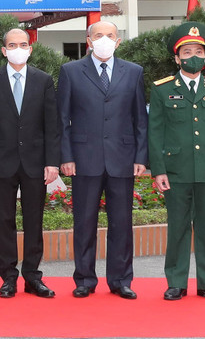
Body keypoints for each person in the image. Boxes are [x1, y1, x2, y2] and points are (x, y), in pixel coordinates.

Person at [57, 20, 147, 299]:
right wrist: (66, 156)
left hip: (123, 157)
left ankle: (121, 280)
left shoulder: (133, 72)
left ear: (118, 41)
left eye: (110, 35)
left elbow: (140, 120)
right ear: (89, 40)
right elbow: (62, 120)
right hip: (84, 159)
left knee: (122, 223)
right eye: (99, 35)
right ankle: (84, 279)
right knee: (84, 223)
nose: (104, 39)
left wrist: (141, 156)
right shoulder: (71, 71)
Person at [149, 21, 205, 302]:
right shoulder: (162, 89)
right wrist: (158, 170)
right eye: (186, 52)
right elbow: (155, 132)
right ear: (176, 57)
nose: (193, 57)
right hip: (176, 170)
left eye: (198, 51)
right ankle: (176, 281)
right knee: (177, 227)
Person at [0, 28, 60, 299]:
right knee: (5, 221)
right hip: (1, 164)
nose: (18, 48)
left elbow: (52, 125)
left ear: (30, 48)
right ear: (4, 50)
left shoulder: (43, 80)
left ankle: (33, 277)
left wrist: (52, 162)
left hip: (36, 163)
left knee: (34, 221)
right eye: (12, 44)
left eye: (23, 44)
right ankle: (8, 278)